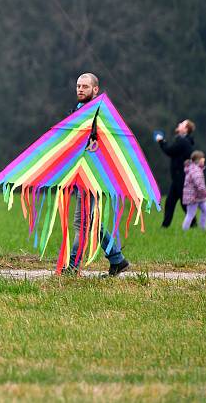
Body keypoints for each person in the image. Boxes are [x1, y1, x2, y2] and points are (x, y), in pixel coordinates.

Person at [66, 73, 131, 276]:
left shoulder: (100, 114)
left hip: (93, 178)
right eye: (78, 86)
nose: (80, 89)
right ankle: (117, 259)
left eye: (85, 86)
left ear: (95, 89)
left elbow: (105, 143)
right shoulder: (77, 111)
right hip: (80, 177)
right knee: (91, 221)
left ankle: (73, 266)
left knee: (81, 223)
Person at [156, 120, 196, 228]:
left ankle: (193, 224)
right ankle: (165, 226)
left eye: (182, 124)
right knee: (170, 202)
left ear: (186, 129)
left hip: (182, 178)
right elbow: (173, 151)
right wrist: (163, 142)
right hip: (179, 178)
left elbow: (170, 150)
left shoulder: (183, 142)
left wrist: (161, 142)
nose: (179, 124)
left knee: (183, 203)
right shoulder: (183, 141)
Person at [182, 151, 206, 231]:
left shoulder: (196, 169)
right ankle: (184, 231)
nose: (204, 160)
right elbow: (200, 186)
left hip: (199, 196)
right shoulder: (196, 171)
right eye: (203, 159)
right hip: (193, 197)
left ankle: (202, 228)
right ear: (198, 160)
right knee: (190, 214)